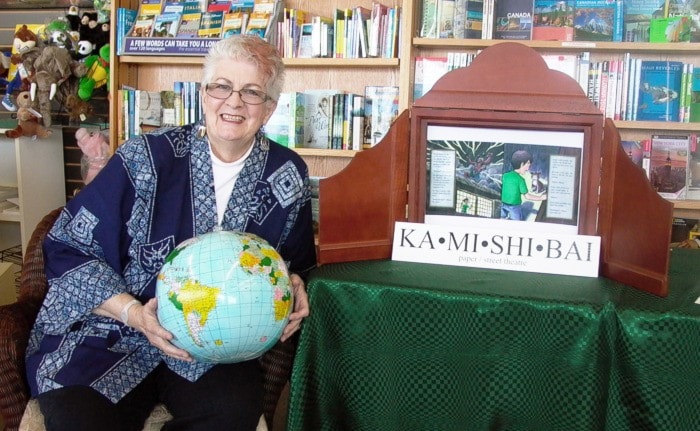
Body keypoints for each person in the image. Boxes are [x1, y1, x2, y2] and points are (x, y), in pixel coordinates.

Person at [25, 34, 316, 431]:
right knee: (79, 418)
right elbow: (68, 245)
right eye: (222, 86)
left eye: (252, 92)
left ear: (270, 107)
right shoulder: (145, 157)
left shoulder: (288, 173)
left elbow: (296, 263)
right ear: (203, 93)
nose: (234, 102)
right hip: (111, 331)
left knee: (232, 414)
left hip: (211, 341)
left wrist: (294, 285)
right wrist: (133, 313)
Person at [500, 150, 547, 221]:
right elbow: (527, 196)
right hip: (514, 207)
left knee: (502, 218)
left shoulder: (505, 176)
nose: (528, 169)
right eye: (528, 165)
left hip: (503, 204)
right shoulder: (520, 180)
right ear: (522, 164)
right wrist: (541, 197)